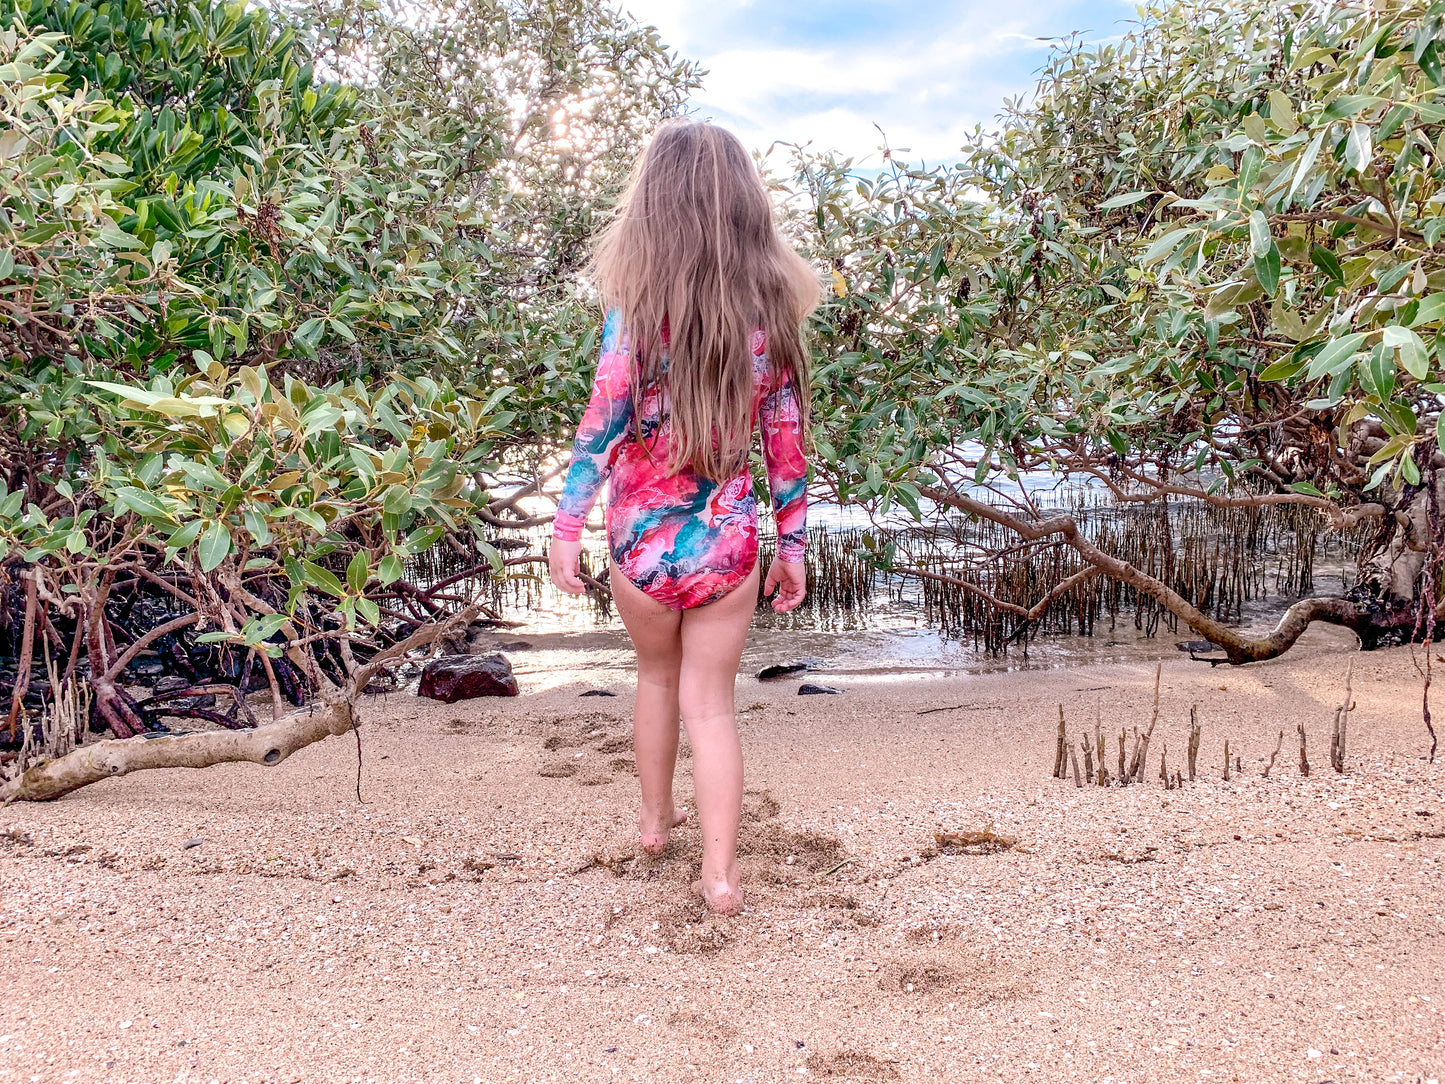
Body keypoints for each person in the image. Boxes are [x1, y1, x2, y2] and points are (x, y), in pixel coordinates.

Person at [548, 119, 821, 916]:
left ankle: (654, 820)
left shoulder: (632, 313)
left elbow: (598, 428)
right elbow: (786, 448)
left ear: (650, 209)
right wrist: (792, 547)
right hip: (727, 545)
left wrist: (566, 529)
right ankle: (721, 875)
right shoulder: (772, 323)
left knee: (656, 680)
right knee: (712, 704)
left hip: (640, 542)